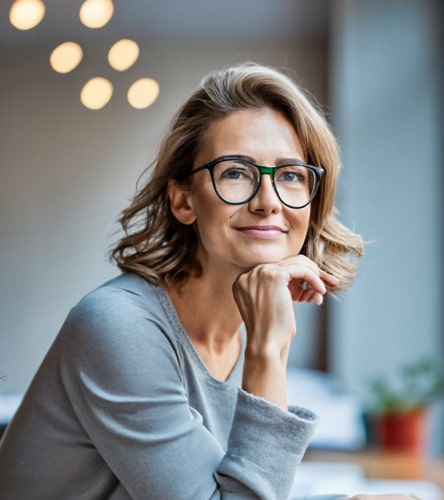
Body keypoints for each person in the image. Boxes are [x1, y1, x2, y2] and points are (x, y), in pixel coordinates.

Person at [0, 63, 417, 500]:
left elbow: (232, 487)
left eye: (291, 175)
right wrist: (267, 351)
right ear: (183, 201)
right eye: (235, 172)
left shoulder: (231, 334)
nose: (268, 202)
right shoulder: (117, 325)